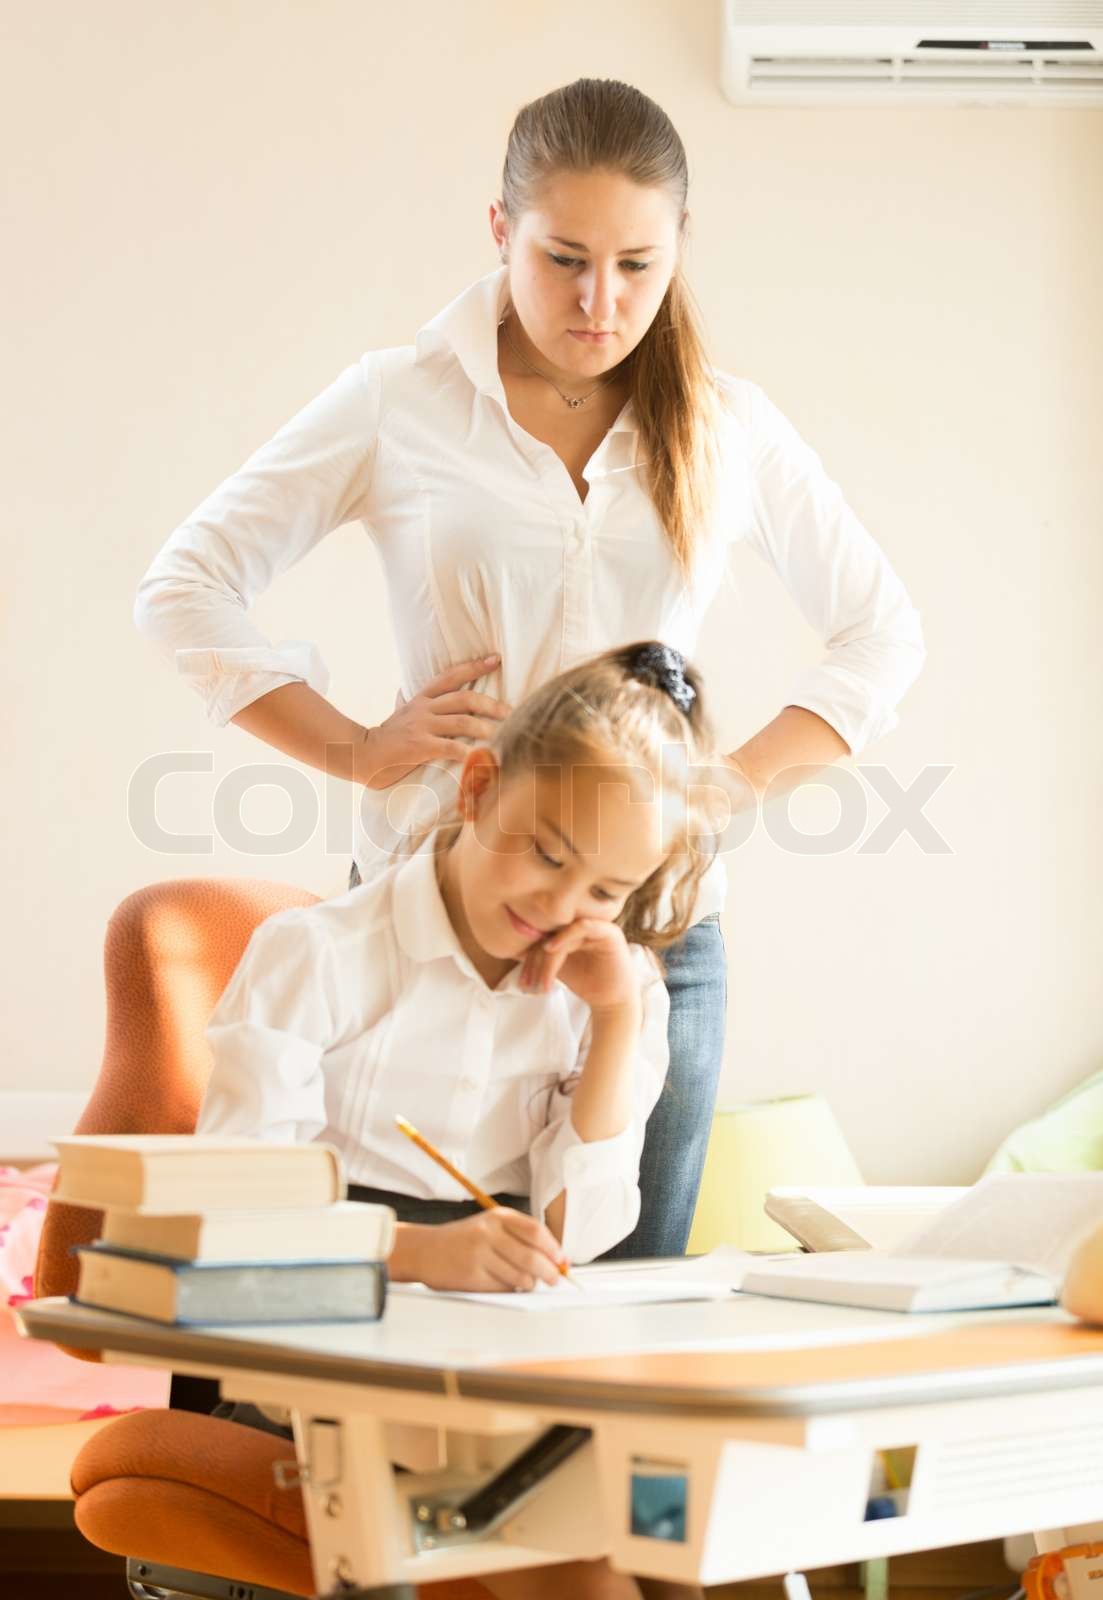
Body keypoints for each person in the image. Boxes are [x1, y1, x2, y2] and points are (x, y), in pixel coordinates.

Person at [135, 76, 925, 1261]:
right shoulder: (397, 402)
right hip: (428, 899)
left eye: (636, 266)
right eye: (562, 259)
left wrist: (716, 793)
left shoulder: (730, 427)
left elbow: (881, 633)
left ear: (678, 248)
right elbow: (185, 587)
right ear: (500, 229)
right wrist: (357, 749)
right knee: (382, 1268)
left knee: (616, 1295)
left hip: (647, 932)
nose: (599, 302)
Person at [197, 642, 714, 1600]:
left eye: (606, 891)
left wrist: (614, 1023)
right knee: (587, 1560)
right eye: (546, 853)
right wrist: (421, 1253)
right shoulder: (316, 953)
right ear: (477, 789)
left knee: (675, 1532)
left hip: (507, 1351)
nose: (560, 905)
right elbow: (233, 1219)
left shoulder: (614, 986)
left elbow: (578, 1235)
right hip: (327, 1346)